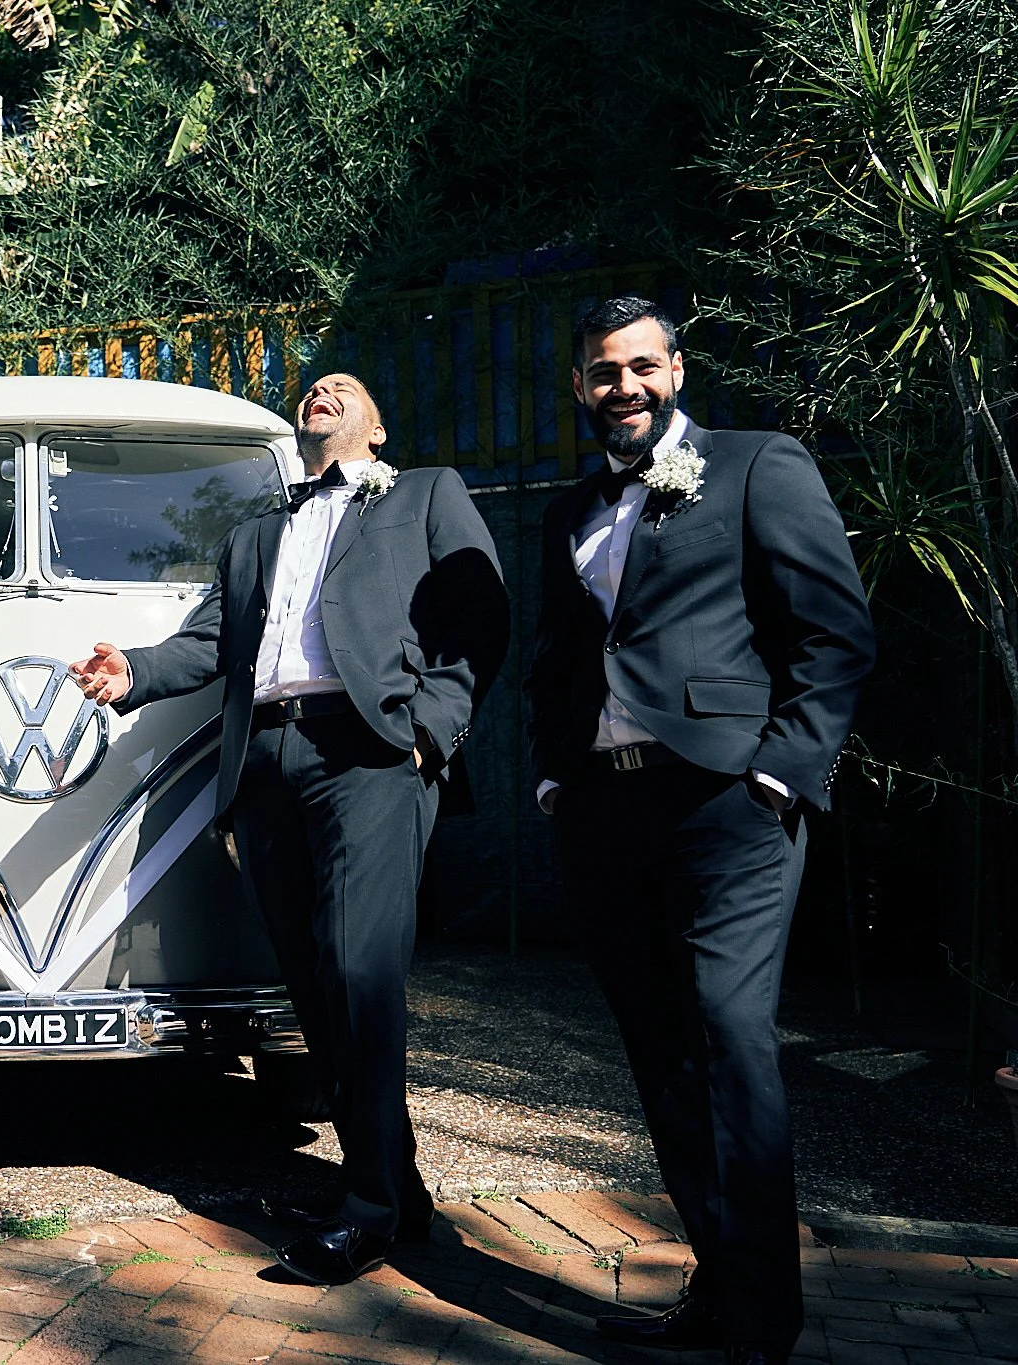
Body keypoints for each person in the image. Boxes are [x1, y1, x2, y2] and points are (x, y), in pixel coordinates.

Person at [70, 371, 509, 1286]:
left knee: (361, 972)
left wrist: (430, 730)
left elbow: (480, 614)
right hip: (267, 763)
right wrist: (133, 670)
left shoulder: (424, 494)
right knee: (315, 987)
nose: (324, 392)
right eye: (313, 387)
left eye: (345, 388)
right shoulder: (257, 530)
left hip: (371, 755)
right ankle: (395, 1188)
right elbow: (213, 643)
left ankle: (370, 1212)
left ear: (377, 429)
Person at [527, 296, 875, 1365]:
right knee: (663, 1058)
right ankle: (720, 1294)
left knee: (728, 1045)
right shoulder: (569, 507)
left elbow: (833, 632)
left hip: (727, 806)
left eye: (638, 366)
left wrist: (777, 776)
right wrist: (552, 782)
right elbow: (558, 655)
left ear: (674, 371)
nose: (619, 386)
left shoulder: (758, 464)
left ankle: (760, 1328)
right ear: (579, 388)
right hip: (607, 813)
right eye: (599, 372)